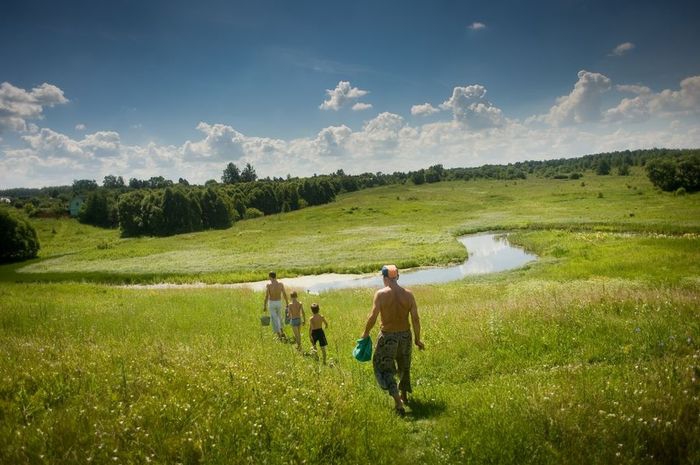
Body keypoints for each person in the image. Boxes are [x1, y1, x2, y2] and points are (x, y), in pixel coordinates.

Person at [361, 264, 425, 415]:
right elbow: (415, 319)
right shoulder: (409, 295)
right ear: (397, 277)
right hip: (405, 336)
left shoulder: (381, 294)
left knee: (384, 367)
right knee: (404, 366)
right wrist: (417, 339)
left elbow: (373, 316)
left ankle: (398, 402)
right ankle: (404, 396)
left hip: (388, 336)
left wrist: (365, 333)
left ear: (384, 278)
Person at [263, 271, 289, 340]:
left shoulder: (269, 285)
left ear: (270, 277)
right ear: (275, 276)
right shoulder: (281, 284)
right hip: (279, 302)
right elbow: (284, 294)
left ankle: (279, 336)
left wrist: (264, 306)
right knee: (279, 317)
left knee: (274, 319)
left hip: (272, 303)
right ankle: (282, 332)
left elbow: (266, 296)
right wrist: (287, 303)